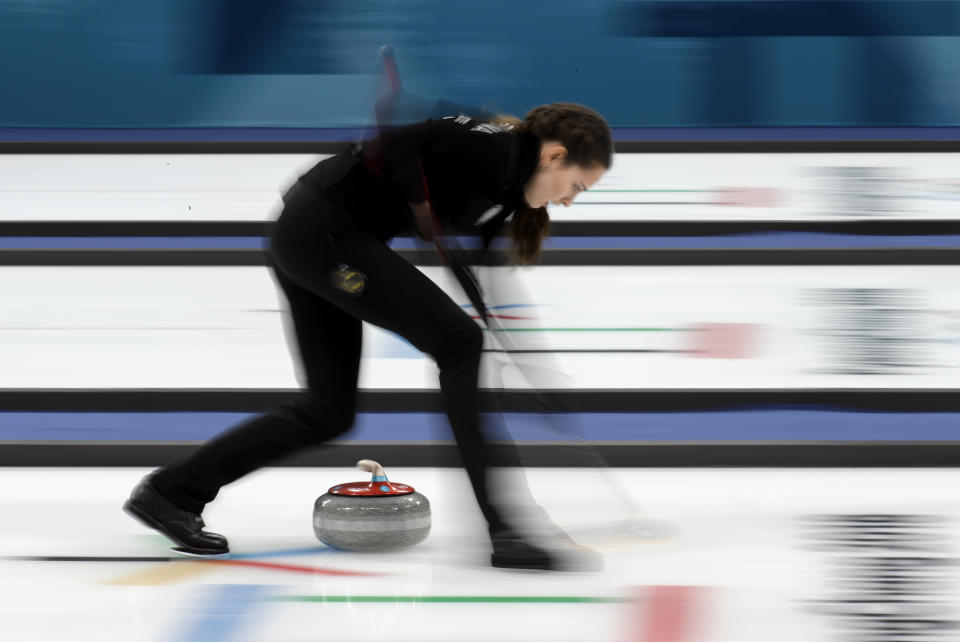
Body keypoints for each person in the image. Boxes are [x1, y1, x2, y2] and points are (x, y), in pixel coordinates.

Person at [123, 102, 613, 570]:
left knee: (328, 413)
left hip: (314, 236)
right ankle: (505, 529)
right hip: (325, 232)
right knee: (459, 344)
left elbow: (482, 279)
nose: (569, 200)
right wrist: (419, 205)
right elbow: (394, 140)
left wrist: (529, 361)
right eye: (576, 186)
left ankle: (171, 494)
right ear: (553, 156)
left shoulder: (506, 186)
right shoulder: (498, 146)